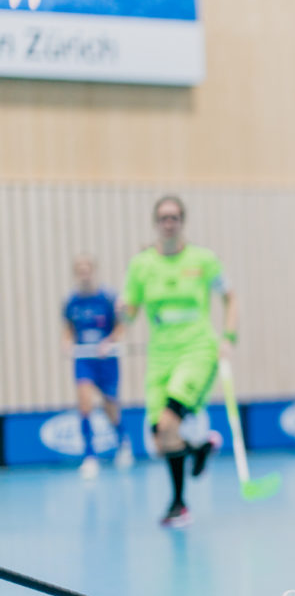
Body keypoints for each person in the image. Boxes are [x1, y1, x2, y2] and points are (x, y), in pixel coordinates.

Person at [122, 195, 235, 528]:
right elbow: (130, 309)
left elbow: (230, 298)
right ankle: (196, 456)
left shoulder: (204, 260)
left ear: (182, 221)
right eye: (163, 218)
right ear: (155, 223)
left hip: (196, 350)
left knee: (170, 424)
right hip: (160, 355)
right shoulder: (141, 265)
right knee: (160, 439)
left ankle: (177, 501)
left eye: (174, 217)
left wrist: (228, 339)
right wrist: (115, 332)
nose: (168, 223)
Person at [62, 255, 130, 477]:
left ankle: (122, 442)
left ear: (93, 271)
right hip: (84, 360)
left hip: (106, 360)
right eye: (79, 270)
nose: (84, 274)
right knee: (85, 404)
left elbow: (120, 327)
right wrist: (67, 344)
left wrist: (109, 342)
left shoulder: (108, 298)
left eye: (87, 269)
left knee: (110, 407)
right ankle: (89, 456)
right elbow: (68, 329)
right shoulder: (71, 302)